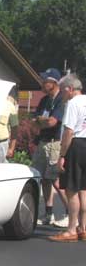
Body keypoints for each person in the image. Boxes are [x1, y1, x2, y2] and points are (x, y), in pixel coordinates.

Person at [49, 74, 86, 242]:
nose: (63, 95)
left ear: (69, 89)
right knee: (84, 190)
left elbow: (69, 131)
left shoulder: (73, 103)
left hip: (76, 145)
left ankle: (71, 230)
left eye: (64, 91)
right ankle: (83, 227)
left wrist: (62, 155)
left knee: (71, 190)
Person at [31, 68, 68, 225]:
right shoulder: (44, 100)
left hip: (55, 143)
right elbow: (33, 121)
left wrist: (41, 122)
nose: (42, 83)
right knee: (43, 179)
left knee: (56, 181)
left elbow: (53, 122)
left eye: (45, 81)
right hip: (43, 142)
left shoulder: (61, 100)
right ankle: (48, 213)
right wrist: (41, 121)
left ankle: (69, 213)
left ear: (53, 83)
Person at [0, 94, 19, 163]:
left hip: (1, 145)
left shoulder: (10, 106)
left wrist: (11, 148)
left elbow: (15, 128)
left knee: (0, 170)